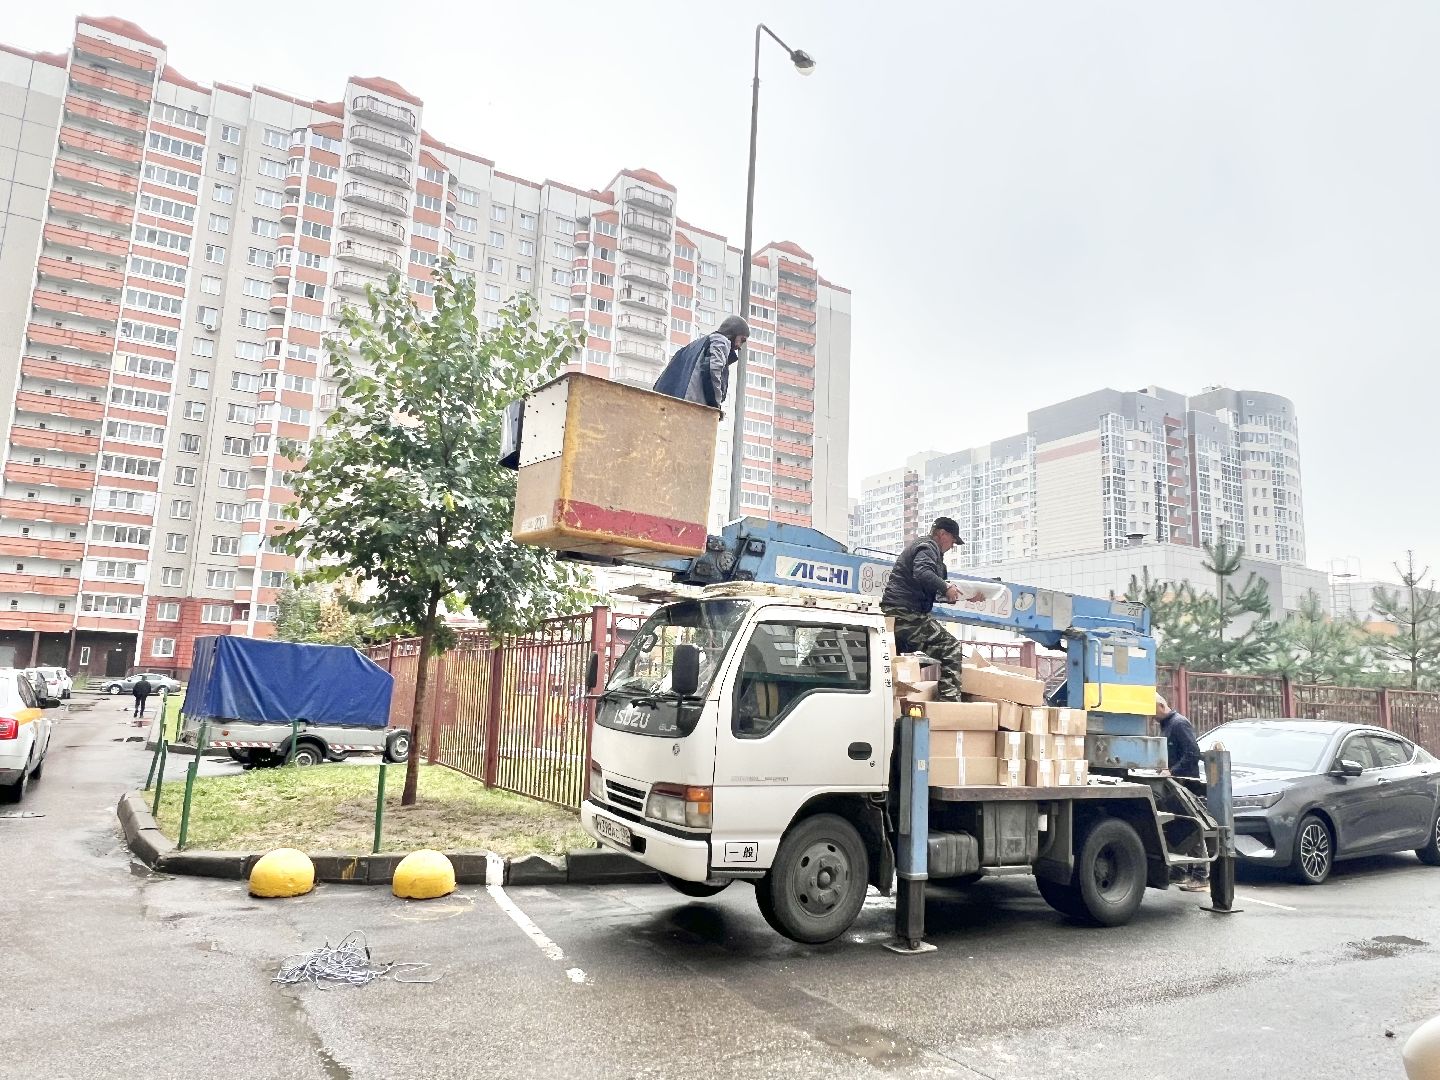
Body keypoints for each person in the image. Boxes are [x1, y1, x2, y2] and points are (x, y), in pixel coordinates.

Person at [880, 517, 982, 702]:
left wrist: (964, 596)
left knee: (908, 664)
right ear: (942, 533)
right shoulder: (928, 547)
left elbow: (927, 588)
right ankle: (948, 705)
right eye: (952, 541)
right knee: (950, 648)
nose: (952, 546)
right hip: (905, 614)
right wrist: (946, 587)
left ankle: (896, 703)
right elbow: (922, 572)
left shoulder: (931, 553)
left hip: (898, 614)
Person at [1156, 693, 1209, 892]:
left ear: (1161, 705)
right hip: (1174, 783)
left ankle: (1200, 876)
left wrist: (1173, 770)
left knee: (1191, 829)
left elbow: (1192, 753)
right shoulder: (1165, 725)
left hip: (1185, 784)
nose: (1151, 717)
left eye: (1152, 711)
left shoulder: (1179, 724)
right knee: (1178, 827)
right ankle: (1180, 872)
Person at [652, 316, 750, 413]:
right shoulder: (720, 341)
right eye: (742, 340)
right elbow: (712, 371)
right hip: (691, 408)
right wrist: (715, 407)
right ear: (733, 332)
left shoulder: (693, 347)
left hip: (667, 406)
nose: (740, 346)